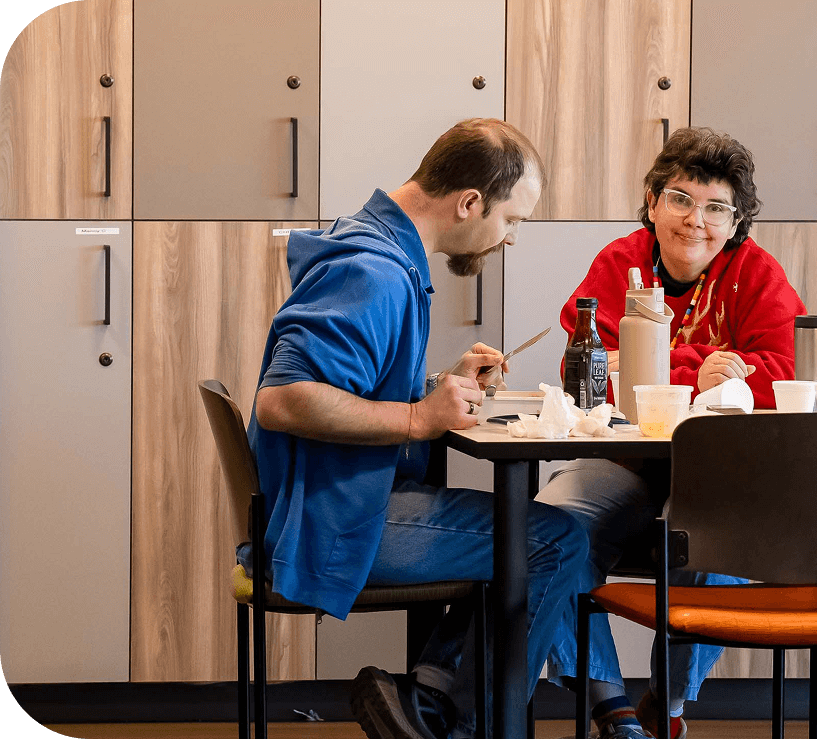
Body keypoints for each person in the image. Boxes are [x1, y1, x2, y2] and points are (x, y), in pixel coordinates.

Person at [247, 118, 589, 739]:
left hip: (328, 502)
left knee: (524, 536)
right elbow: (283, 399)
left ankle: (429, 704)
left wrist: (433, 390)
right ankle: (455, 726)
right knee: (552, 541)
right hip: (327, 522)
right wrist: (416, 418)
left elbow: (349, 380)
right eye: (511, 221)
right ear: (470, 203)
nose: (509, 240)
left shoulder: (378, 244)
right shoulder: (374, 271)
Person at [537, 127, 806, 739]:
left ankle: (669, 707)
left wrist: (659, 374)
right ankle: (614, 714)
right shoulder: (619, 261)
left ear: (736, 222)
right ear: (654, 201)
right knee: (547, 525)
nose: (696, 221)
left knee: (720, 536)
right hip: (624, 462)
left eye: (717, 207)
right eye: (681, 199)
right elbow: (589, 372)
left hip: (717, 469)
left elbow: (785, 373)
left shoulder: (758, 272)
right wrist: (706, 370)